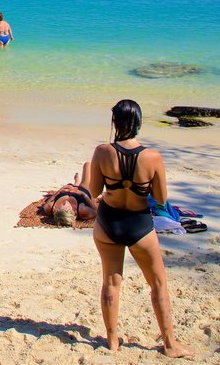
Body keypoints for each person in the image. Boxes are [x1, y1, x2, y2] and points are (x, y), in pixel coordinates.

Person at [87, 100, 193, 357]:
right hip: (139, 225)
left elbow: (93, 192)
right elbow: (160, 198)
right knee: (158, 284)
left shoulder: (102, 152)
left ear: (115, 123)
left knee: (111, 282)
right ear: (138, 123)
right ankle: (169, 345)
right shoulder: (152, 157)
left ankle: (112, 342)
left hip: (108, 223)